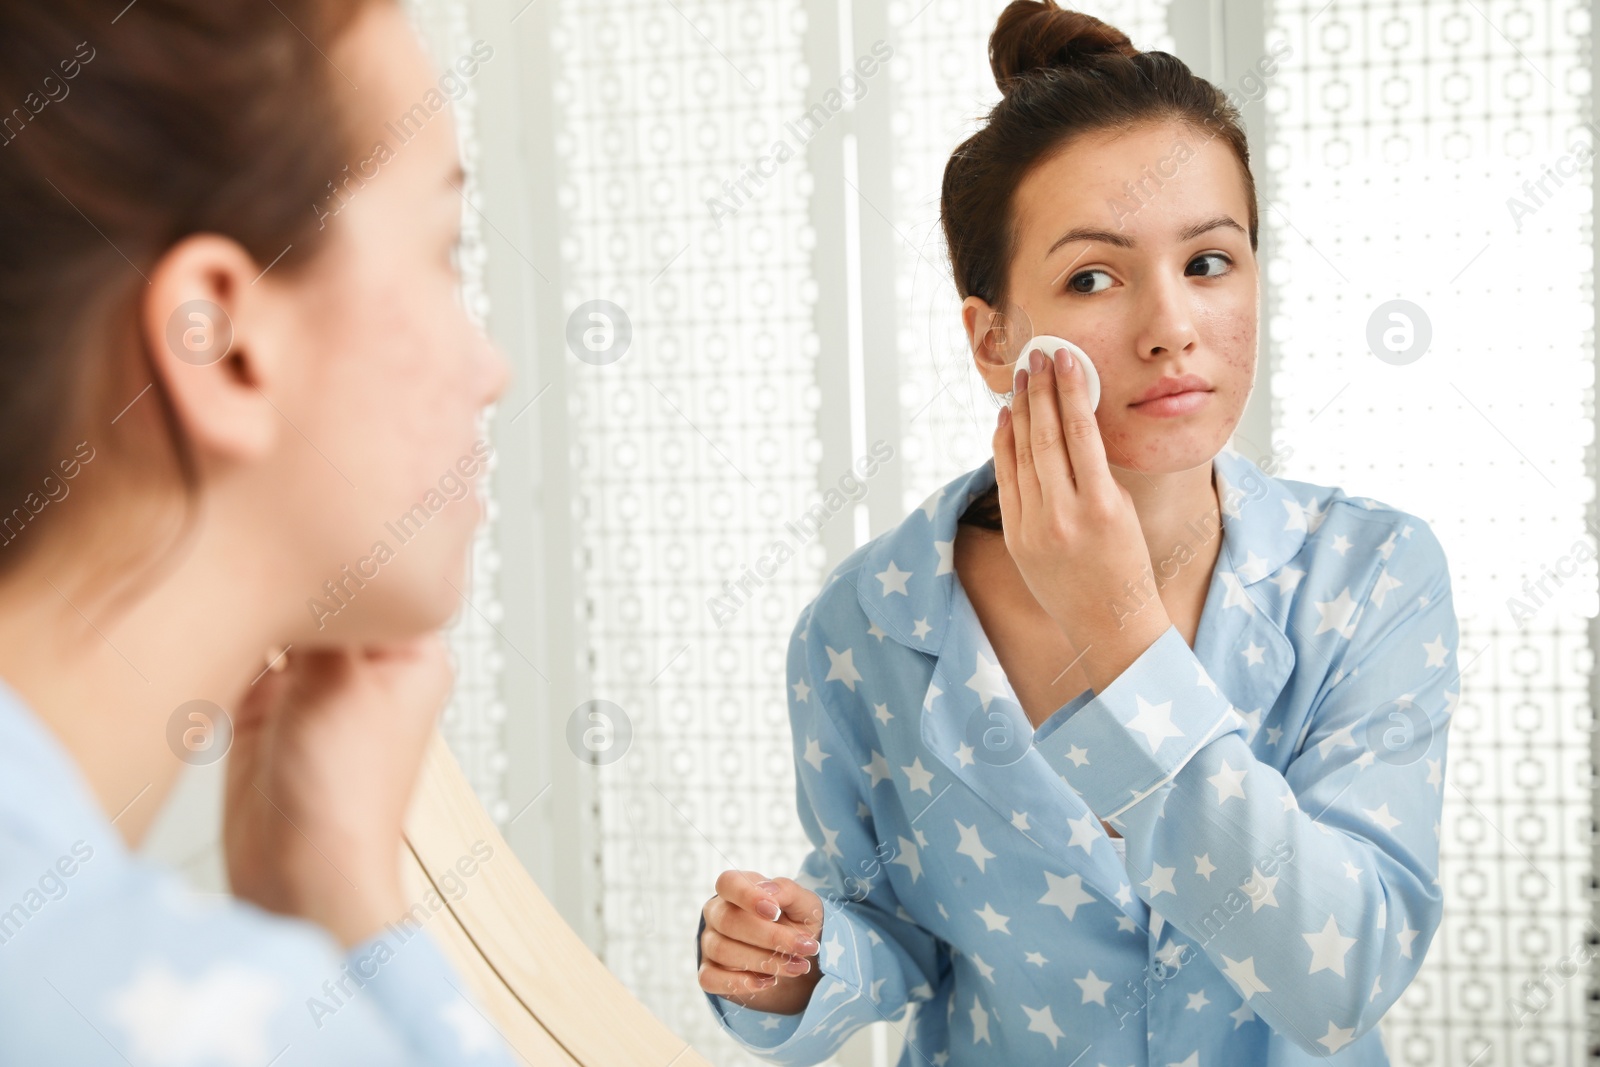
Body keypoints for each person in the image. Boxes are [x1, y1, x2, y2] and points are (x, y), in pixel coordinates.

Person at [695, 2, 1457, 1064]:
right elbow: (895, 928)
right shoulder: (865, 620)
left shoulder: (1369, 573)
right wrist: (798, 959)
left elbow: (1343, 974)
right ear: (992, 335)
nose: (1170, 326)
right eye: (1092, 276)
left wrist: (1119, 629)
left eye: (1208, 262)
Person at [0, 1, 520, 1063]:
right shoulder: (208, 1022)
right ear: (219, 342)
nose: (492, 369)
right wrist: (356, 919)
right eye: (443, 249)